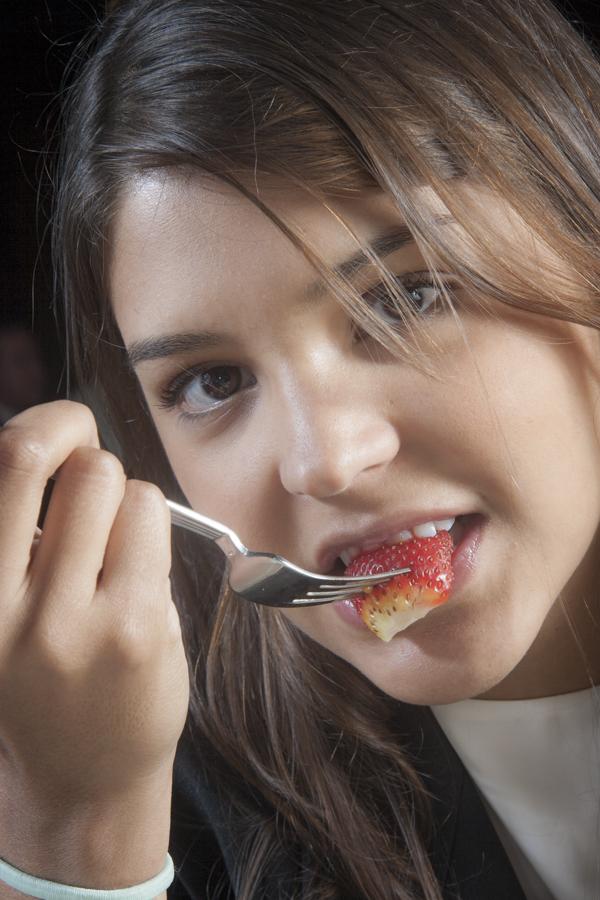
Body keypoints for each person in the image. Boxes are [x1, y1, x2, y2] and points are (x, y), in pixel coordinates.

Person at [0, 0, 598, 898]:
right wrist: (77, 840)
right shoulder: (141, 792)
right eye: (213, 382)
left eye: (404, 300)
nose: (322, 460)